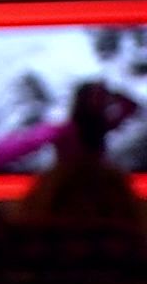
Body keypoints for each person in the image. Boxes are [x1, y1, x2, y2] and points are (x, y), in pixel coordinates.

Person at [15, 81, 146, 231]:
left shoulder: (100, 125)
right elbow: (26, 143)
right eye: (95, 97)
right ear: (82, 99)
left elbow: (131, 107)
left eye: (102, 97)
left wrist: (116, 94)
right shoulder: (65, 130)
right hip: (66, 186)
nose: (100, 102)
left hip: (99, 185)